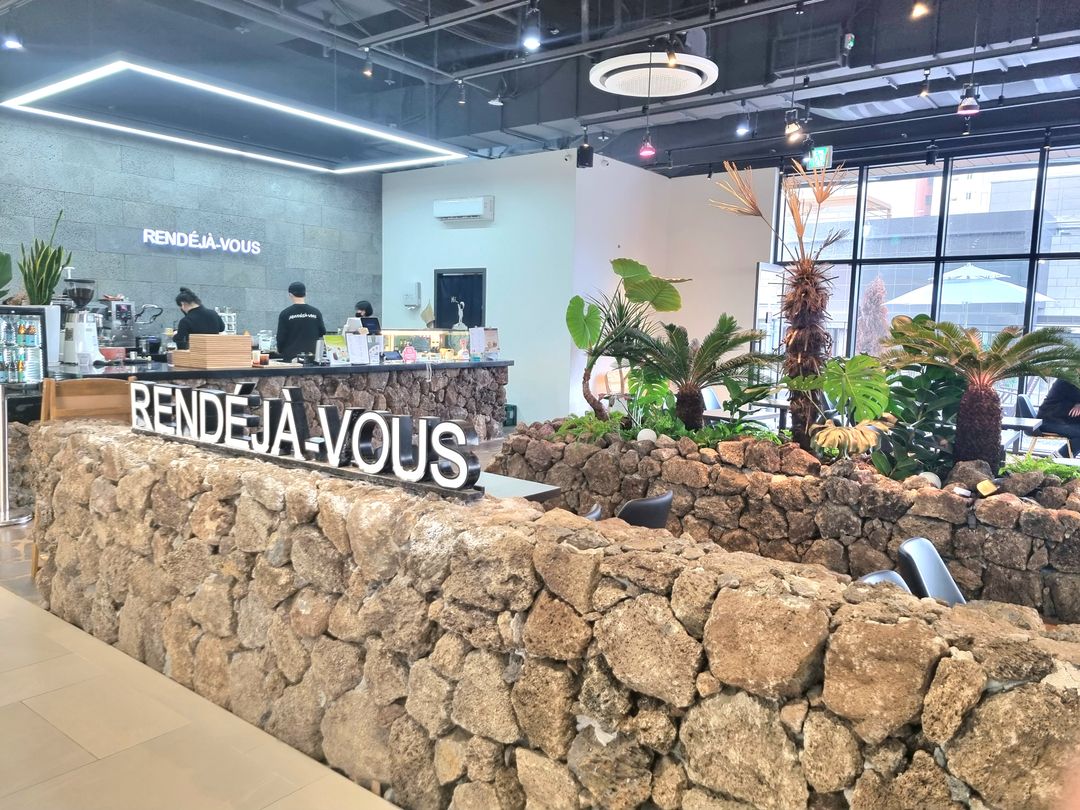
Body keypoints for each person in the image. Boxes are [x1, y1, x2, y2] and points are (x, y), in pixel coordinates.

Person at [276, 281, 326, 360]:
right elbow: (322, 332)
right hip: (312, 357)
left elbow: (281, 338)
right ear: (306, 293)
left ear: (290, 295)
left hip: (291, 357)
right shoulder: (316, 312)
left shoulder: (285, 313)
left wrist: (280, 350)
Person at [1036, 378, 1080, 456]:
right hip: (1048, 420)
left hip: (1061, 419)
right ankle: (1057, 458)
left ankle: (1060, 457)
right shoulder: (1067, 378)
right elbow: (1075, 394)